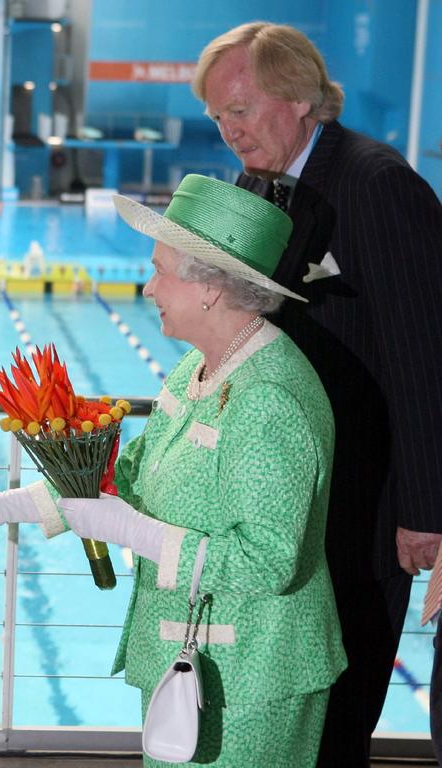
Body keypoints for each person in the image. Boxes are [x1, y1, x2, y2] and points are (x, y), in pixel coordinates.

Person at [0, 174, 347, 767]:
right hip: (193, 668)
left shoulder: (269, 397)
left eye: (160, 270)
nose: (146, 285)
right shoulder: (197, 370)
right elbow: (125, 481)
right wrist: (9, 507)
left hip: (253, 680)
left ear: (210, 287)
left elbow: (269, 559)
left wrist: (132, 533)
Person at [192, 22, 442, 766]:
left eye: (240, 109)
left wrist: (428, 511)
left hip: (367, 502)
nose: (228, 130)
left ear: (300, 98)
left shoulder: (377, 183)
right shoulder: (257, 185)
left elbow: (425, 354)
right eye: (217, 117)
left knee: (342, 697)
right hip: (292, 497)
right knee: (290, 698)